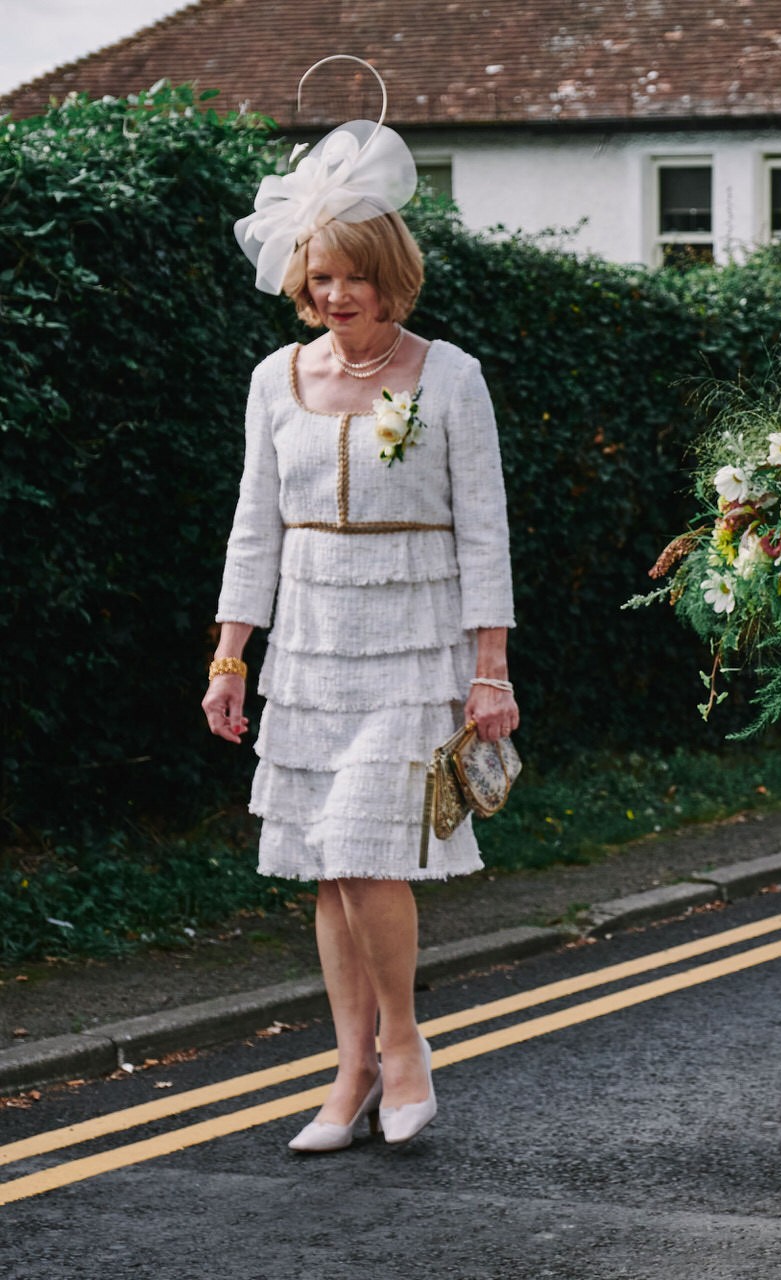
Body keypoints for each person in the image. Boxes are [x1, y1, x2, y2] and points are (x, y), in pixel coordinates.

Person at [202, 114, 516, 1152]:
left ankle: (403, 1044)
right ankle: (350, 1066)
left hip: (414, 642)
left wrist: (490, 669)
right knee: (329, 865)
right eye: (321, 277)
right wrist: (230, 656)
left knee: (368, 847)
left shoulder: (451, 375)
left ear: (391, 279)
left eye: (356, 278)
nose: (337, 296)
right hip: (310, 647)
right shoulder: (274, 380)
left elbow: (485, 529)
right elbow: (253, 527)